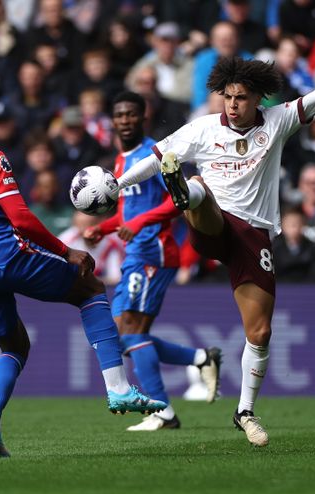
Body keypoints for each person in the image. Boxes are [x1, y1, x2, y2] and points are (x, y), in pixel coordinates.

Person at [114, 44, 315, 446]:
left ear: (257, 99)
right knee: (195, 188)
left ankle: (245, 411)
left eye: (240, 98)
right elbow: (155, 157)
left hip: (254, 235)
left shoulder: (278, 122)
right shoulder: (202, 128)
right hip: (211, 224)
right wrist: (118, 183)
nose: (231, 105)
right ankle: (185, 192)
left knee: (260, 332)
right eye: (227, 97)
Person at [0, 84, 165, 457]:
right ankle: (118, 387)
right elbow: (20, 218)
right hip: (6, 257)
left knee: (14, 346)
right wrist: (66, 250)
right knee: (90, 287)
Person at [83, 91, 222, 431]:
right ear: (112, 120)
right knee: (124, 336)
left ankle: (164, 413)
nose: (125, 120)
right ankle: (200, 359)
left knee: (130, 333)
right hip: (136, 253)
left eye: (131, 114)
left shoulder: (153, 155)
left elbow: (180, 200)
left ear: (142, 117)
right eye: (119, 115)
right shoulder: (119, 161)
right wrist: (103, 229)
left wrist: (139, 223)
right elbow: (126, 210)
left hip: (155, 253)